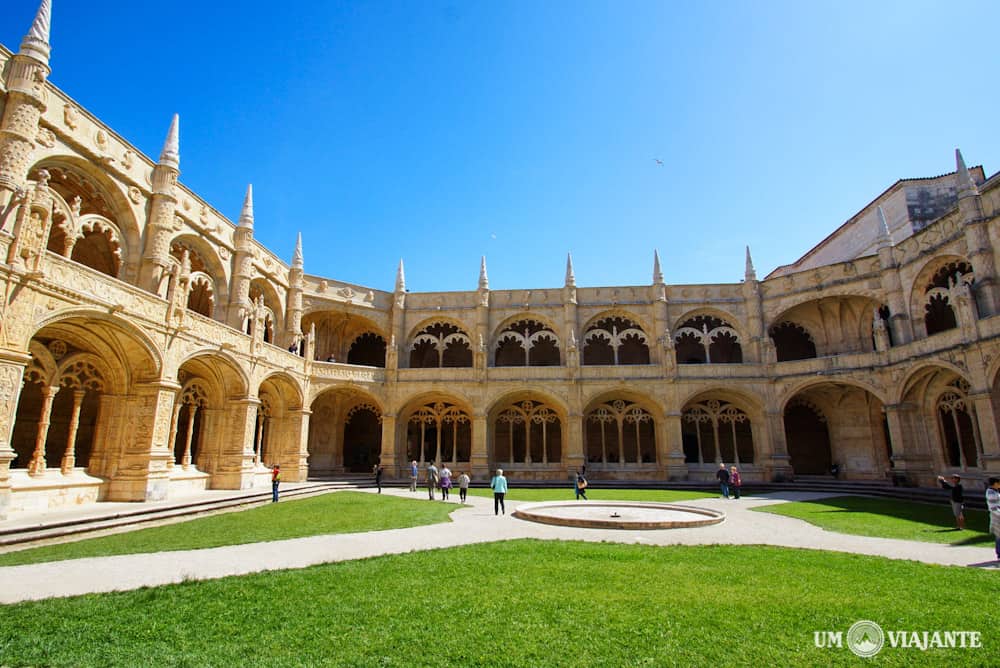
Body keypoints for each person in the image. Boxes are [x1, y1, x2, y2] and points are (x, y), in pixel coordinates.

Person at [987, 477, 1000, 562]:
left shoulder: (995, 491)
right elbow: (993, 508)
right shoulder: (991, 493)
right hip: (997, 518)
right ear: (995, 483)